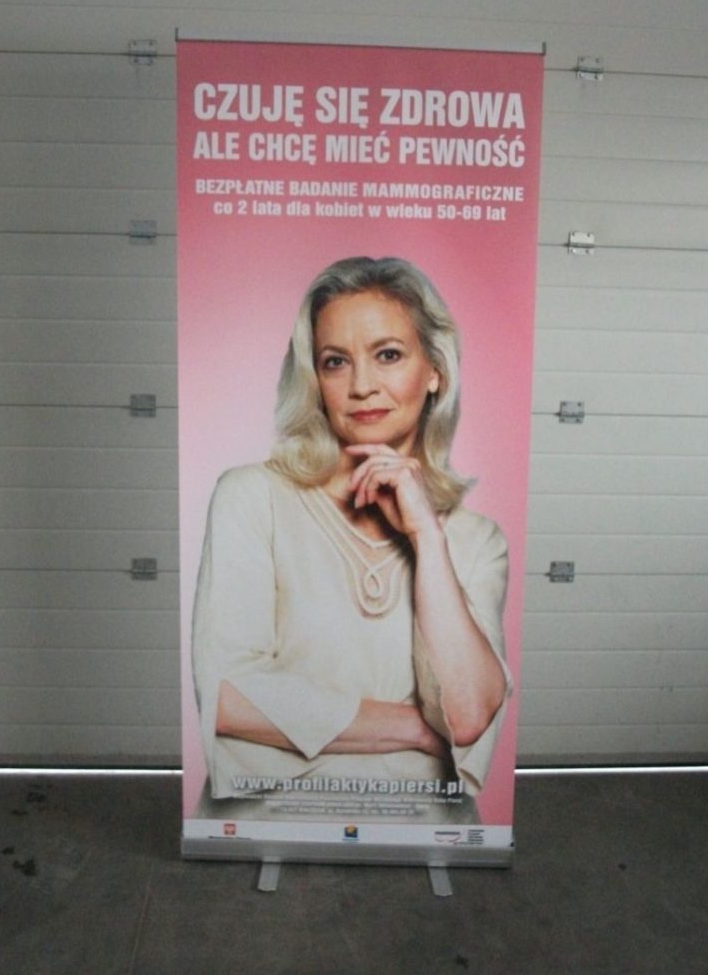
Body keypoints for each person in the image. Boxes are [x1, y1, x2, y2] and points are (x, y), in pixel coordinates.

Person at [191, 256, 511, 821]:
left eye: (388, 355)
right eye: (336, 362)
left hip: (422, 823)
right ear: (315, 381)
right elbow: (226, 695)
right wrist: (416, 728)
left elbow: (465, 717)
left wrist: (426, 537)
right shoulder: (253, 496)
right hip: (267, 817)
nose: (362, 387)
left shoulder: (476, 540)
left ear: (435, 371)